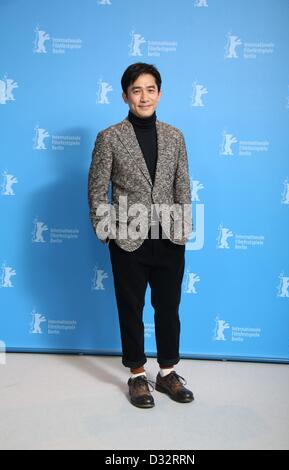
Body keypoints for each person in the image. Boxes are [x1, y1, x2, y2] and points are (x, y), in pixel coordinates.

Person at [88, 62, 194, 408]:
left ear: (159, 94)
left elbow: (183, 186)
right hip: (128, 238)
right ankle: (137, 376)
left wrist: (183, 228)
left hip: (168, 237)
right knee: (130, 307)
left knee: (168, 308)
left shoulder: (176, 136)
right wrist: (107, 232)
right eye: (137, 90)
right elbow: (96, 189)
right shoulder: (109, 137)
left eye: (150, 89)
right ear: (125, 95)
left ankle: (167, 373)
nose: (144, 96)